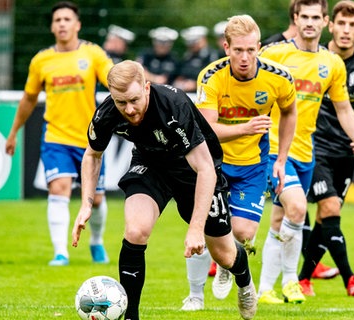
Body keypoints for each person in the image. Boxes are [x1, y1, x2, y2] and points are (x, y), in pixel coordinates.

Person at [71, 60, 258, 320]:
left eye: (134, 100)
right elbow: (92, 155)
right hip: (151, 165)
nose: (129, 109)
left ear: (147, 88)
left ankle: (244, 279)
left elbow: (205, 169)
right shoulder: (108, 112)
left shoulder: (174, 106)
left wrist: (195, 229)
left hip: (194, 171)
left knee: (224, 254)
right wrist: (86, 204)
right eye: (121, 102)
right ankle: (130, 316)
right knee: (135, 230)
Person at [257, 0, 354, 303]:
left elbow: (345, 109)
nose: (309, 22)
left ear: (325, 22)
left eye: (315, 17)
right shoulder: (274, 54)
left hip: (305, 152)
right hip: (273, 150)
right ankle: (290, 281)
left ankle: (265, 289)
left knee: (281, 220)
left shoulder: (332, 63)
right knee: (297, 208)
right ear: (295, 19)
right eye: (304, 17)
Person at [180, 14, 297, 311]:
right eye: (237, 50)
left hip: (254, 164)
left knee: (243, 233)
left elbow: (289, 112)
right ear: (226, 47)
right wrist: (245, 128)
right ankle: (195, 295)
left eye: (250, 50)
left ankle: (224, 263)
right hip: (212, 164)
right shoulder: (211, 76)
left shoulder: (279, 77)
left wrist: (281, 159)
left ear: (259, 47)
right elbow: (206, 131)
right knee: (205, 225)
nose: (245, 58)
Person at [5, 1, 113, 266]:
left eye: (67, 19)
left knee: (96, 199)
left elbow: (114, 80)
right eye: (57, 20)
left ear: (77, 25)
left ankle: (96, 242)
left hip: (90, 139)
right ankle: (60, 252)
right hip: (55, 137)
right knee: (59, 189)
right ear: (52, 27)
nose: (62, 24)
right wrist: (13, 133)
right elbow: (29, 99)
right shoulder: (42, 60)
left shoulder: (93, 54)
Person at [297, 0, 354, 297]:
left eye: (353, 25)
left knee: (327, 218)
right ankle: (350, 279)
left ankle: (303, 279)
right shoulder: (314, 59)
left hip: (345, 152)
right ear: (330, 25)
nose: (346, 30)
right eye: (341, 24)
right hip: (314, 147)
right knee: (330, 208)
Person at [173, 26, 221, 93]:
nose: (192, 45)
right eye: (189, 42)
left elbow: (214, 77)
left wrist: (195, 84)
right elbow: (181, 72)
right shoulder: (187, 56)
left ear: (204, 40)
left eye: (194, 42)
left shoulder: (212, 55)